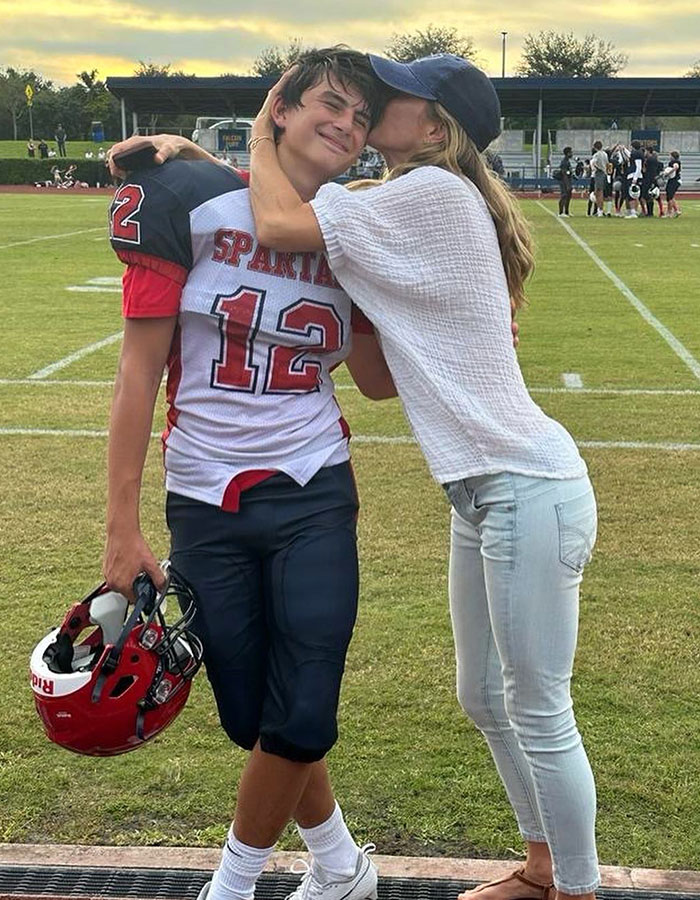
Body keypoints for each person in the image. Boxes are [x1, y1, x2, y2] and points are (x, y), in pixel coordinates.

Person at [244, 55, 600, 900]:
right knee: (484, 696)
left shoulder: (430, 194)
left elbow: (280, 222)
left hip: (524, 485)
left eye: (395, 96)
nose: (375, 105)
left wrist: (264, 125)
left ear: (433, 128)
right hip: (486, 491)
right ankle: (542, 869)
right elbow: (375, 376)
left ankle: (577, 890)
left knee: (541, 709)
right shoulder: (412, 201)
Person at [105, 47, 395, 900]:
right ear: (281, 106)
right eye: (329, 104)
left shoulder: (357, 228)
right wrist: (121, 529)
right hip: (203, 495)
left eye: (360, 117)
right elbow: (136, 375)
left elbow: (376, 383)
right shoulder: (190, 203)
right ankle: (342, 865)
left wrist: (466, 327)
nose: (344, 124)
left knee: (302, 711)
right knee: (252, 718)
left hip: (312, 486)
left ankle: (231, 886)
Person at [625, 140, 644, 218]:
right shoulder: (636, 153)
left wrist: (635, 178)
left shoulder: (637, 154)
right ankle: (634, 211)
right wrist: (624, 149)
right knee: (634, 195)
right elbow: (630, 155)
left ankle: (633, 212)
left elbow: (638, 167)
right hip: (635, 175)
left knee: (632, 195)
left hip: (634, 175)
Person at [589, 141, 608, 217]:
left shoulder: (596, 155)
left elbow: (593, 163)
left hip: (599, 173)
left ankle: (600, 210)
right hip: (604, 173)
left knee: (598, 193)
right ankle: (600, 210)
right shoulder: (605, 154)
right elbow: (607, 164)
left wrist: (594, 168)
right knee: (600, 192)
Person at [557, 146, 574, 216]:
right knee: (564, 195)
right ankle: (561, 212)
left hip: (568, 180)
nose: (572, 154)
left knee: (568, 196)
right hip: (564, 181)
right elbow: (564, 174)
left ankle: (566, 211)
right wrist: (567, 185)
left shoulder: (567, 161)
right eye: (571, 152)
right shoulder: (564, 162)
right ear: (567, 153)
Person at [664, 150, 682, 217]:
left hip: (674, 180)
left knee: (669, 197)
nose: (669, 157)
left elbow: (676, 167)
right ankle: (677, 210)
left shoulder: (674, 162)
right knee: (671, 196)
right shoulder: (676, 161)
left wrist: (668, 173)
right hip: (675, 180)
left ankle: (669, 212)